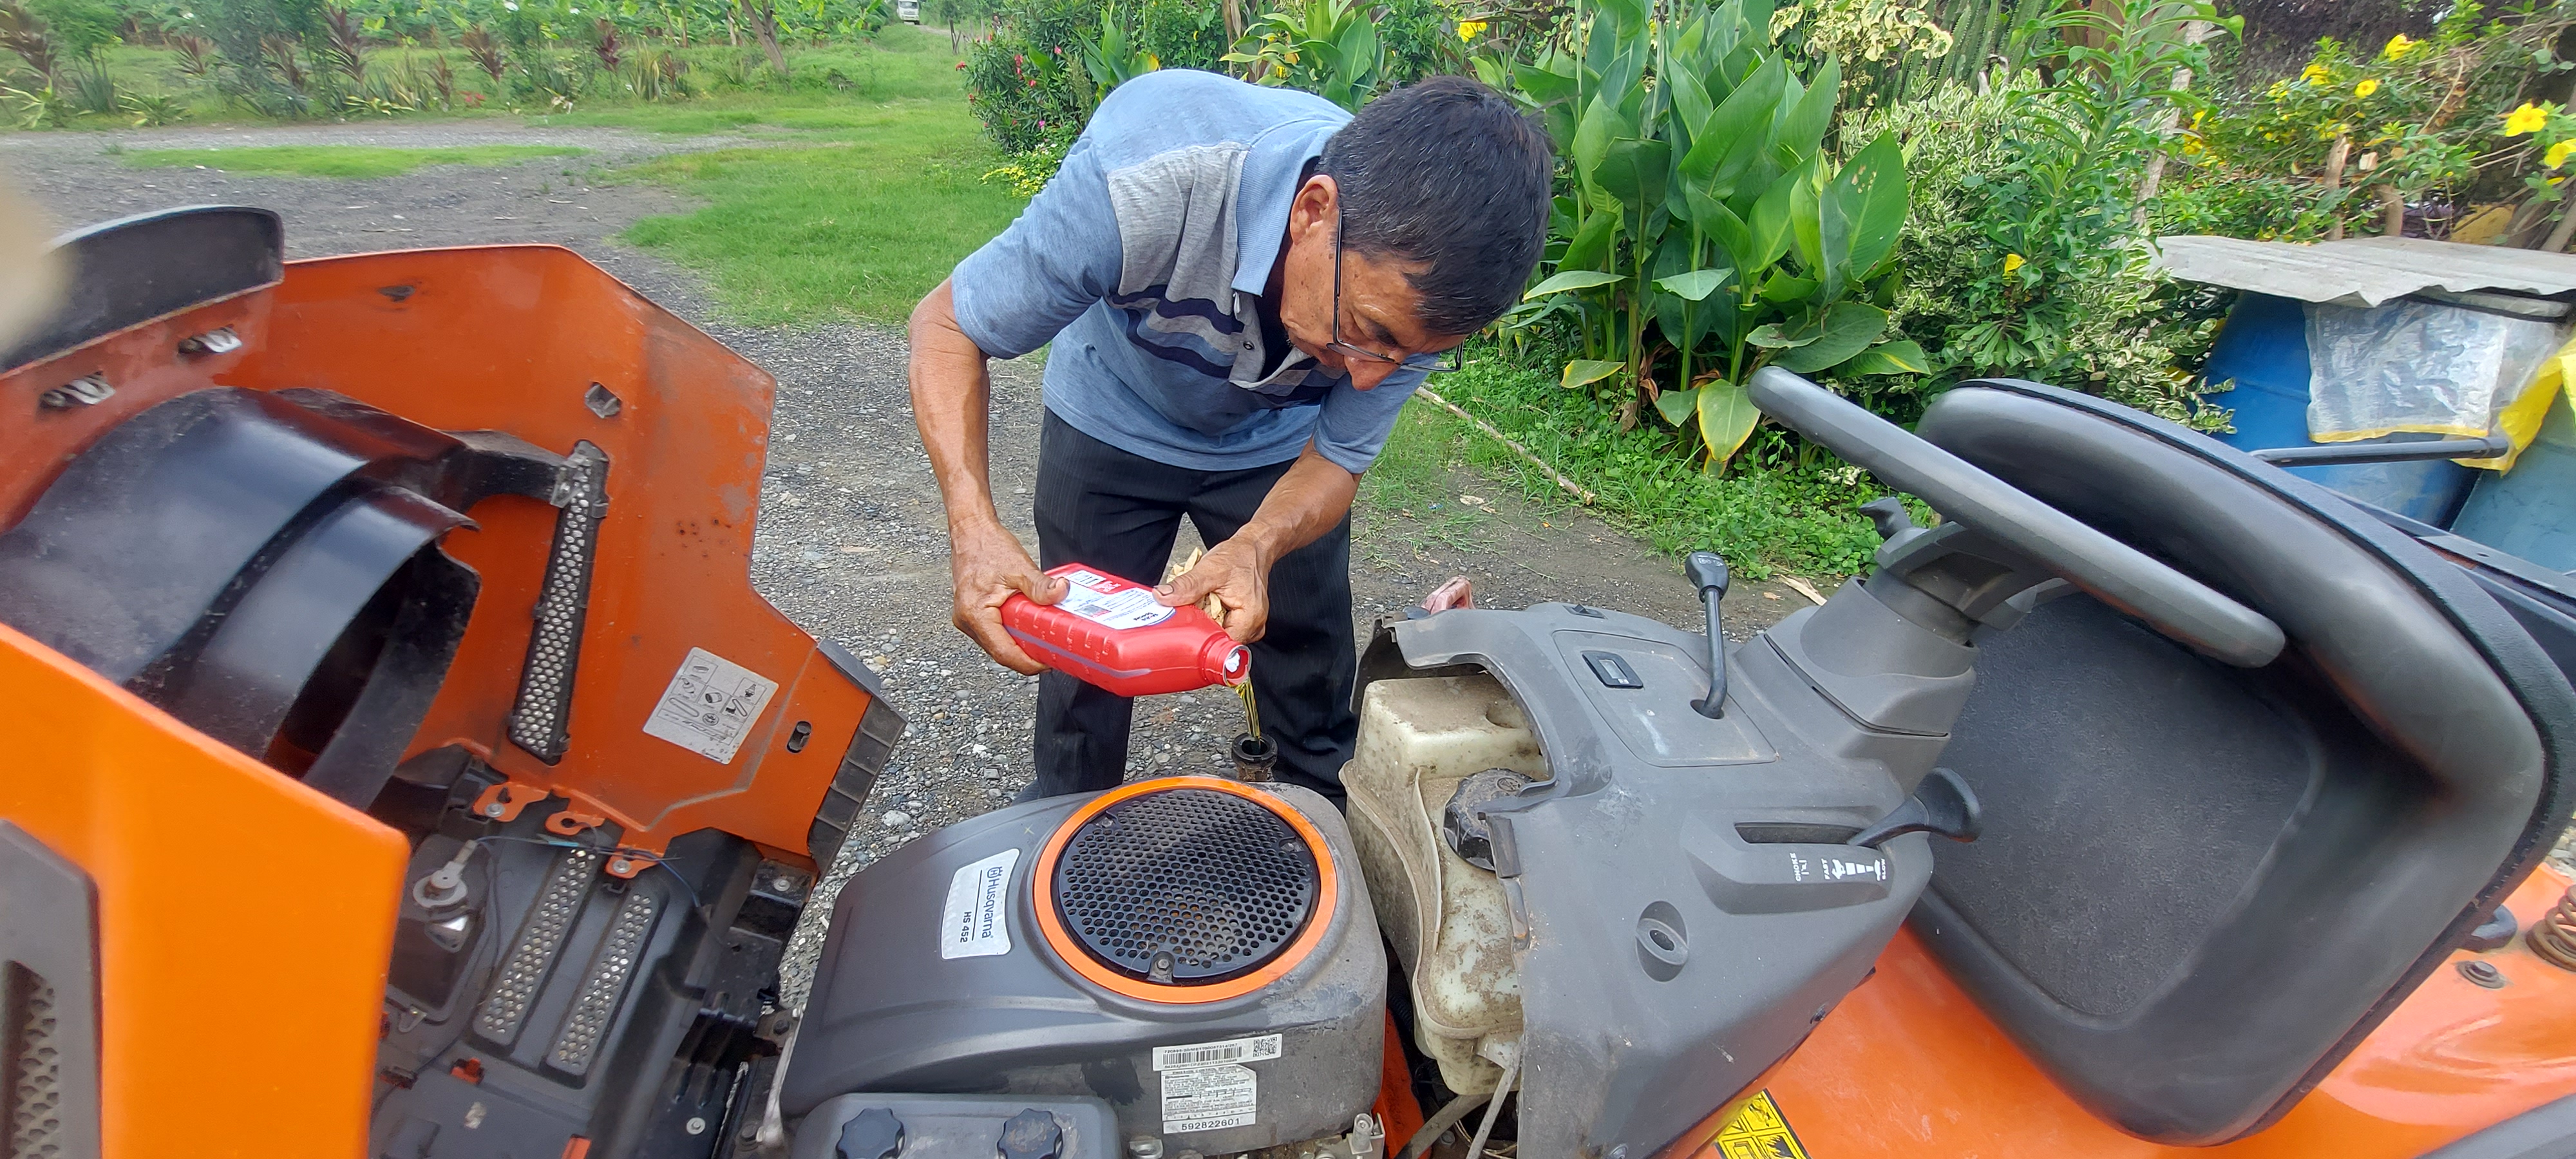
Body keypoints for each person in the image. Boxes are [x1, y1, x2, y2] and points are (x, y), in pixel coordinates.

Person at [909, 68, 1553, 802]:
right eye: (1367, 331)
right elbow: (948, 325)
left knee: (1307, 657)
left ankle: (1324, 813)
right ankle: (1065, 812)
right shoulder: (1146, 181)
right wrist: (972, 526)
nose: (1370, 378)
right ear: (1313, 211)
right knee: (1082, 659)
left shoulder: (1418, 308)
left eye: (1409, 356)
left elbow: (1337, 455)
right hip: (1114, 414)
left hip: (1275, 447)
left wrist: (1257, 545)